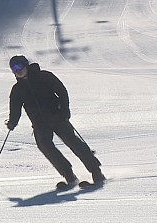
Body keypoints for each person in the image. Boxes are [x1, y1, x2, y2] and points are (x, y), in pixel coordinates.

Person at [6, 55, 105, 187]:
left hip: (57, 116)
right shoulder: (17, 89)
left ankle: (96, 172)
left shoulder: (44, 77)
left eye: (19, 66)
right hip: (39, 123)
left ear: (26, 65)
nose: (17, 70)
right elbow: (15, 108)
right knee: (45, 146)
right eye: (14, 68)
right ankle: (69, 175)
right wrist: (12, 122)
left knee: (73, 142)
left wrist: (65, 109)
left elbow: (61, 91)